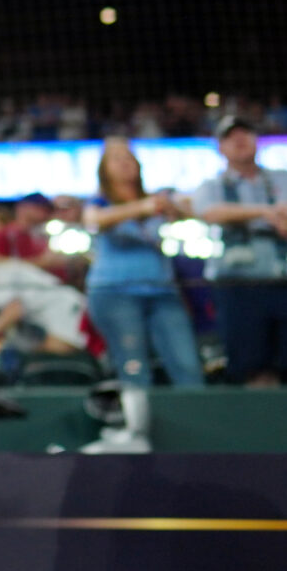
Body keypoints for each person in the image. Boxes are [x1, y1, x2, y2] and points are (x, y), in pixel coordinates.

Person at [186, 114, 287, 388]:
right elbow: (209, 212)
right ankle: (269, 427)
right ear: (220, 147)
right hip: (239, 286)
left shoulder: (285, 179)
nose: (239, 139)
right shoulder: (212, 186)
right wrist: (268, 212)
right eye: (230, 136)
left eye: (246, 132)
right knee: (254, 367)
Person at [84, 137, 203, 389]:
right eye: (116, 158)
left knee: (187, 365)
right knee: (133, 367)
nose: (125, 163)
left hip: (162, 290)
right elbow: (94, 221)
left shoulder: (158, 199)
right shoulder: (100, 202)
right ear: (104, 169)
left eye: (129, 157)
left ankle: (198, 421)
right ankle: (138, 425)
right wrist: (141, 208)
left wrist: (172, 207)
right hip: (115, 293)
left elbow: (195, 208)